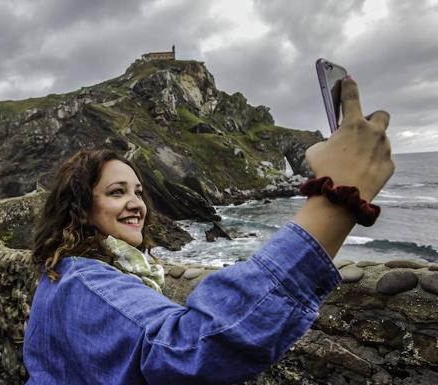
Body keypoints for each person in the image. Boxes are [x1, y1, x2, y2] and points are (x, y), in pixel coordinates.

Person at [23, 76, 394, 384]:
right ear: (81, 208)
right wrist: (337, 199)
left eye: (138, 191)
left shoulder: (61, 273)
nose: (137, 203)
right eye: (116, 192)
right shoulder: (86, 281)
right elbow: (189, 348)